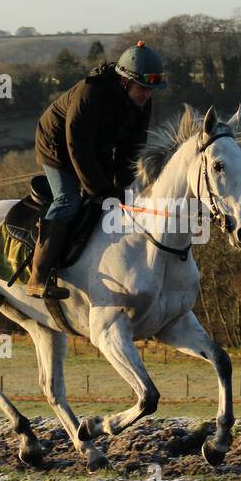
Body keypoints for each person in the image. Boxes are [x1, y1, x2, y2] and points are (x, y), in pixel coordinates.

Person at [28, 41, 166, 299]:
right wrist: (101, 189)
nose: (147, 95)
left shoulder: (141, 102)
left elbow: (132, 148)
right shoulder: (91, 94)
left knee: (117, 197)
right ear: (125, 82)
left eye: (151, 90)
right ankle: (39, 275)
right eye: (143, 88)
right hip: (56, 145)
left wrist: (123, 188)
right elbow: (77, 146)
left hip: (94, 146)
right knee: (68, 199)